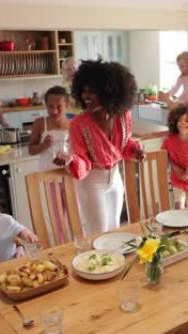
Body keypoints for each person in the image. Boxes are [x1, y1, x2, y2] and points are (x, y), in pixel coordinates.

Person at [55, 60, 145, 234]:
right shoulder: (79, 124)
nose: (85, 97)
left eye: (92, 92)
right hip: (92, 182)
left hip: (115, 178)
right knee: (98, 234)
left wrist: (136, 150)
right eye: (83, 91)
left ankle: (116, 262)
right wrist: (71, 159)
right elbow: (83, 160)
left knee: (115, 230)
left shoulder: (123, 116)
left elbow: (124, 145)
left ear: (109, 92)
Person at [28, 86, 71, 170]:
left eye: (59, 107)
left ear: (67, 105)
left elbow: (80, 153)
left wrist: (71, 156)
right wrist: (43, 146)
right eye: (50, 106)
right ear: (46, 105)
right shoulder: (39, 123)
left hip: (68, 173)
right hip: (46, 173)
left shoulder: (73, 124)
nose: (54, 111)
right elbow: (31, 150)